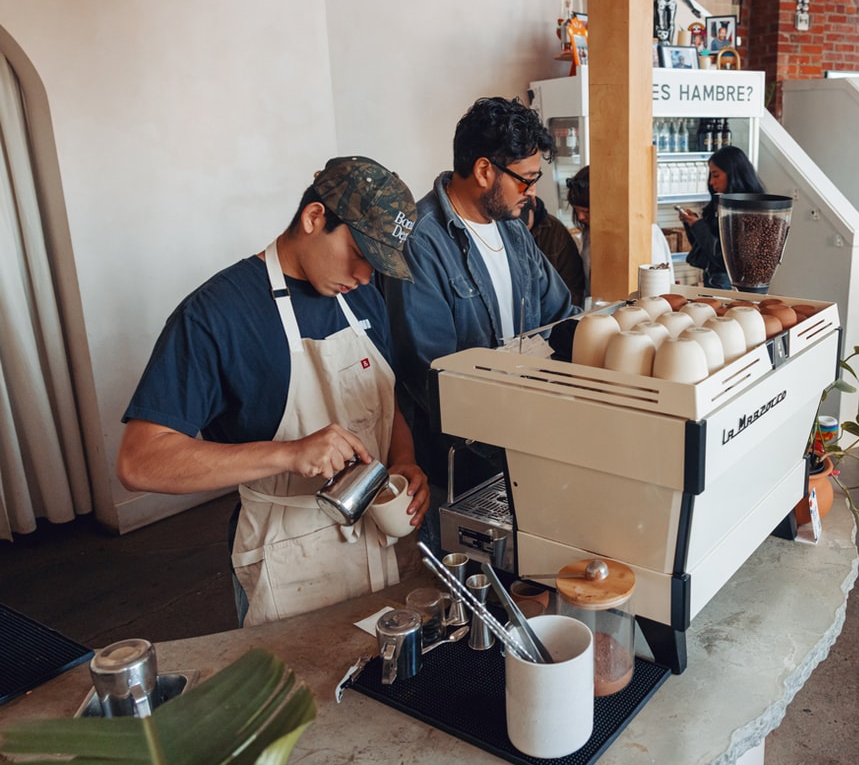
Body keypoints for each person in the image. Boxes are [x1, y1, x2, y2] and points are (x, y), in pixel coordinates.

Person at [116, 156, 431, 626]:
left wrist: (403, 461)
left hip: (383, 545)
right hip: (292, 563)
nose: (366, 276)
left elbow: (383, 402)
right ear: (314, 218)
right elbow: (139, 461)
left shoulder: (360, 294)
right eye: (361, 254)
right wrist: (289, 454)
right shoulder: (215, 316)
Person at [379, 97, 576, 543]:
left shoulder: (511, 230)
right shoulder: (422, 241)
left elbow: (561, 314)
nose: (532, 192)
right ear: (485, 171)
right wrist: (514, 431)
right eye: (526, 180)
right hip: (461, 464)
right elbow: (434, 374)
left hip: (524, 442)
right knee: (472, 583)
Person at [568, 164, 674, 302]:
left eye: (587, 211)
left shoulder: (643, 232)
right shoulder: (590, 232)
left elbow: (656, 286)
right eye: (577, 211)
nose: (581, 217)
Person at [679, 145, 764, 290]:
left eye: (716, 175)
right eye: (711, 175)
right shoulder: (720, 203)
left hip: (730, 284)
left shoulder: (748, 211)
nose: (711, 182)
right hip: (713, 279)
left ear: (733, 174)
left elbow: (723, 256)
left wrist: (698, 226)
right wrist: (692, 224)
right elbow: (704, 249)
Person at [525, 195, 585, 309]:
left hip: (555, 312)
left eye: (525, 225)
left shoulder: (555, 231)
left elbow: (573, 282)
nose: (520, 230)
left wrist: (567, 321)